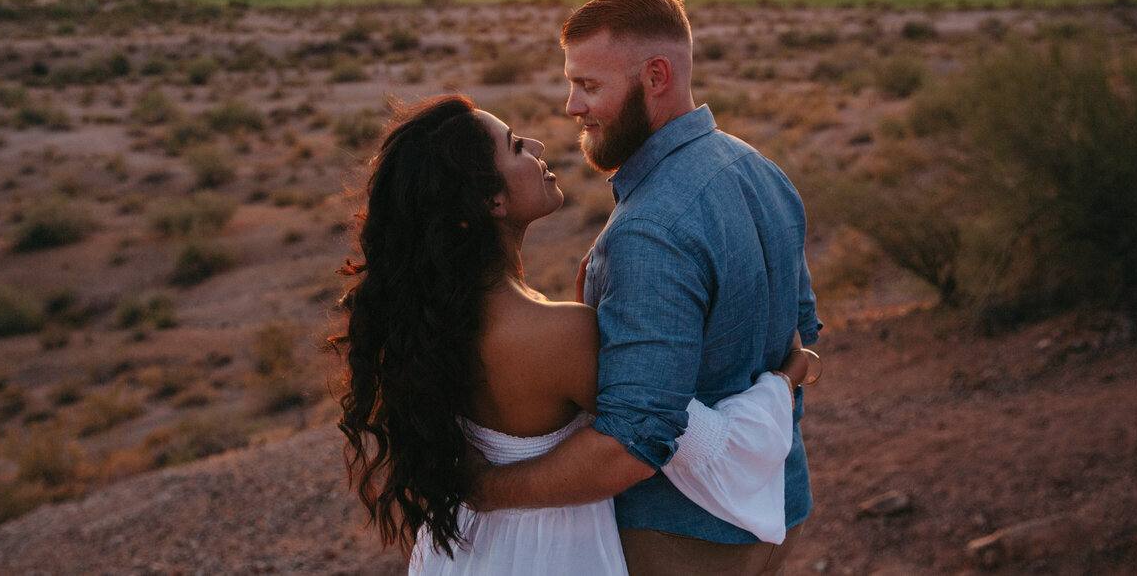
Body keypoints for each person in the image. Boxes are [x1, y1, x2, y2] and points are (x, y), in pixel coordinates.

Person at [333, 95, 814, 575]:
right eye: (517, 146)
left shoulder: (438, 317)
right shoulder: (559, 333)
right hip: (552, 553)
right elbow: (706, 447)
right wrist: (785, 379)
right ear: (491, 200)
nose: (539, 144)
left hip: (468, 551)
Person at [469, 0, 822, 575]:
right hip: (778, 511)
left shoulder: (651, 229)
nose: (572, 106)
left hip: (679, 538)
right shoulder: (758, 168)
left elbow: (630, 447)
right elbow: (803, 329)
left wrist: (485, 491)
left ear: (656, 76)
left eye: (589, 85)